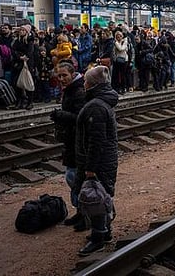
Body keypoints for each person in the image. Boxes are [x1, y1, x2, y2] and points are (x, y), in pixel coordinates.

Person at [74, 65, 119, 256]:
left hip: (99, 162)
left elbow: (96, 141)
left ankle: (98, 237)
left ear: (92, 84)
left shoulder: (96, 107)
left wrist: (90, 168)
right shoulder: (100, 102)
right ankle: (104, 231)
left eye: (85, 81)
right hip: (106, 159)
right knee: (102, 194)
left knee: (96, 198)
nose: (83, 84)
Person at [50, 60, 86, 230]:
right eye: (59, 76)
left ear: (72, 74)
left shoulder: (78, 92)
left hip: (78, 142)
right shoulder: (70, 90)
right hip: (71, 141)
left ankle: (85, 215)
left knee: (75, 178)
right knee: (74, 178)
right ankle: (81, 212)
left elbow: (80, 117)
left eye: (64, 75)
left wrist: (61, 115)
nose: (61, 79)